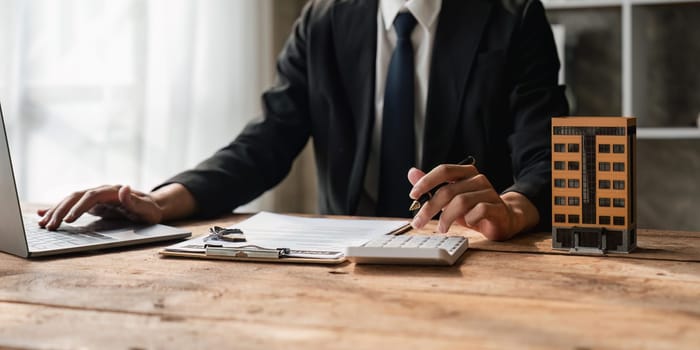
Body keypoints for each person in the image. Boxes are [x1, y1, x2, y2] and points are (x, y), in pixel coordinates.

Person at [38, 0, 568, 241]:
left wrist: (514, 210)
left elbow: (544, 156)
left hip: (471, 256)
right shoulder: (322, 21)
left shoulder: (513, 17)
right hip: (343, 265)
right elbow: (266, 143)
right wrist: (158, 201)